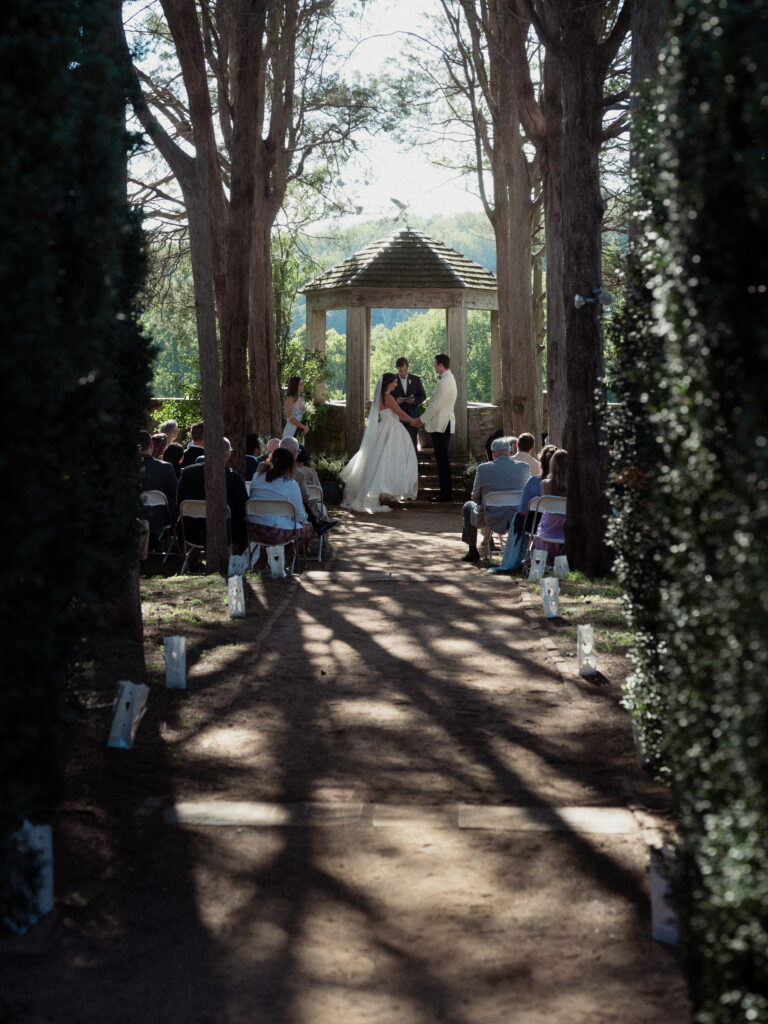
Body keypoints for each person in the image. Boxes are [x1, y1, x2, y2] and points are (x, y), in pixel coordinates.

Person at [341, 373, 419, 513]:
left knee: (379, 461)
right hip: (392, 428)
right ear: (388, 383)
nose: (396, 384)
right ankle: (377, 493)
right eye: (394, 382)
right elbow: (399, 412)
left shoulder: (383, 396)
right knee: (387, 461)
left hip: (384, 427)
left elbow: (394, 409)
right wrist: (412, 421)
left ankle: (379, 493)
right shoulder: (388, 397)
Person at [487, 443, 558, 573]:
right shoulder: (566, 485)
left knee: (518, 517)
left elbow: (523, 510)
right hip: (560, 525)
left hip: (535, 525)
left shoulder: (533, 482)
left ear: (541, 462)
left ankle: (514, 558)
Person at [460, 437, 530, 563]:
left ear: (493, 454)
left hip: (491, 516)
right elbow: (527, 495)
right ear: (509, 453)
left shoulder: (483, 469)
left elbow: (475, 497)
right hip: (517, 517)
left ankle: (472, 550)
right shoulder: (524, 468)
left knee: (468, 506)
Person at [176, 437, 247, 550]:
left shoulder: (188, 473)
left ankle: (192, 562)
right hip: (224, 532)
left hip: (190, 531)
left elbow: (179, 501)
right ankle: (236, 559)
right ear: (227, 455)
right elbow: (242, 509)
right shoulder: (234, 478)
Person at [247, 447, 313, 552]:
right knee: (307, 527)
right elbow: (299, 516)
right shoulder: (291, 484)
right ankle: (285, 559)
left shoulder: (256, 477)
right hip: (278, 533)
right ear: (291, 466)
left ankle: (265, 558)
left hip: (253, 529)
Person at [415, 354, 457, 502]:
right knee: (442, 460)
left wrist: (421, 419)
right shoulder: (447, 379)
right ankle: (445, 493)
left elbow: (436, 405)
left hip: (442, 424)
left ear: (440, 365)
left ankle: (446, 494)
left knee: (442, 460)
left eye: (435, 364)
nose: (434, 366)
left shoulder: (445, 381)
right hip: (443, 423)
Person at [279, 436, 338, 537]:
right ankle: (321, 532)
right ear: (296, 454)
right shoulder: (300, 474)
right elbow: (315, 494)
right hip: (294, 513)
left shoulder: (261, 473)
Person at [138, 430, 178, 548]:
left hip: (136, 515)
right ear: (151, 445)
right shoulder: (165, 467)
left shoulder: (127, 469)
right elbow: (175, 493)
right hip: (162, 518)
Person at [531, 448, 568, 565]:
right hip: (566, 529)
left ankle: (534, 561)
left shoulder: (545, 484)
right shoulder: (574, 485)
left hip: (547, 530)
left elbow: (546, 507)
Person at [392, 356, 426, 452]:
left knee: (413, 442)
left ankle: (414, 466)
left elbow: (423, 395)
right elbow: (387, 397)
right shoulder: (392, 380)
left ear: (408, 367)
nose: (403, 373)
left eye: (405, 370)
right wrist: (396, 401)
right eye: (400, 371)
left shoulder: (416, 379)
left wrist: (414, 401)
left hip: (413, 416)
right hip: (397, 418)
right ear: (396, 369)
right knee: (398, 444)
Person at [282, 376, 309, 441]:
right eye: (300, 384)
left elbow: (304, 416)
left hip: (300, 432)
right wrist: (303, 426)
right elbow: (290, 418)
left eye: (303, 384)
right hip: (290, 431)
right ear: (295, 385)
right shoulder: (289, 400)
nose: (303, 386)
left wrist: (306, 426)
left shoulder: (302, 399)